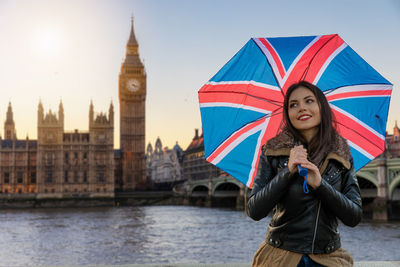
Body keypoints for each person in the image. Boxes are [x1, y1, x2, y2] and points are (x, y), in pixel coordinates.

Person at [247, 80, 362, 267]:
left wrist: (320, 185)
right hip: (281, 257)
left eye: (309, 101)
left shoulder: (341, 156)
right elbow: (254, 210)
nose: (301, 108)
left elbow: (354, 216)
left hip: (328, 258)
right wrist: (287, 172)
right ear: (288, 113)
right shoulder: (272, 152)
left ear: (321, 107)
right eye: (293, 104)